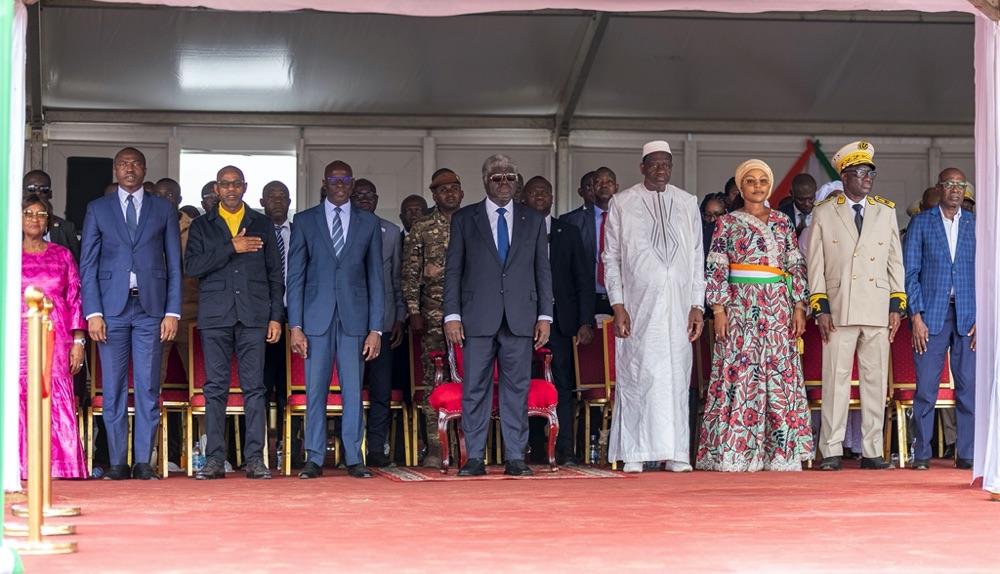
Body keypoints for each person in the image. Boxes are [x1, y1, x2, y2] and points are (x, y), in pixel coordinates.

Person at [696, 160, 813, 472]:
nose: (757, 186)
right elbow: (716, 268)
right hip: (739, 307)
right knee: (740, 371)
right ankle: (736, 452)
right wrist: (718, 310)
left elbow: (795, 265)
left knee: (778, 374)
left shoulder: (783, 222)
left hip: (777, 307)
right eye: (750, 181)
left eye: (763, 180)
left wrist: (799, 306)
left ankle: (780, 453)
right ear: (741, 185)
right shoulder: (727, 223)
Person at [443, 154, 553, 477]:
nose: (504, 183)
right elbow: (453, 271)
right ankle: (474, 457)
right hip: (476, 317)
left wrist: (545, 314)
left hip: (521, 317)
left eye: (509, 177)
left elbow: (542, 271)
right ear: (485, 181)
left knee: (516, 388)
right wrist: (451, 315)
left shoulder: (532, 220)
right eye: (497, 177)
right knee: (474, 387)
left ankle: (515, 457)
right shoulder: (465, 219)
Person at [602, 141, 706, 473]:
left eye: (667, 165)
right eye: (655, 164)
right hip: (638, 306)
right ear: (643, 167)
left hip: (678, 308)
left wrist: (696, 305)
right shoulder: (623, 202)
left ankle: (675, 452)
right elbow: (611, 258)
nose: (662, 170)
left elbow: (696, 258)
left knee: (676, 377)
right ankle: (634, 452)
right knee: (638, 374)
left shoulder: (687, 202)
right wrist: (618, 305)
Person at [80, 147, 182, 481]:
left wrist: (172, 311)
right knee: (112, 390)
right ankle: (118, 462)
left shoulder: (163, 209)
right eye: (124, 164)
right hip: (111, 311)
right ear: (115, 170)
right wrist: (92, 312)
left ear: (144, 170)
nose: (130, 169)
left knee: (149, 387)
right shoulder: (98, 209)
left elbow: (174, 265)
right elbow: (88, 265)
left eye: (136, 164)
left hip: (151, 309)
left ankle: (143, 462)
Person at [806, 140, 904, 471]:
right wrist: (820, 306)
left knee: (875, 381)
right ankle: (831, 450)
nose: (867, 178)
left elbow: (895, 262)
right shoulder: (823, 212)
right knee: (835, 379)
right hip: (839, 306)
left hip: (876, 306)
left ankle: (873, 450)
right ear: (844, 176)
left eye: (870, 173)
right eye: (860, 172)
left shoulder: (885, 210)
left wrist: (896, 304)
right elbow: (815, 264)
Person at [287, 160, 384, 479]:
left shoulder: (368, 223)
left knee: (353, 390)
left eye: (345, 179)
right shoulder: (304, 220)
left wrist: (375, 328)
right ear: (325, 183)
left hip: (355, 320)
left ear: (352, 184)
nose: (340, 184)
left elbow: (376, 279)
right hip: (315, 319)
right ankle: (314, 457)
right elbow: (296, 276)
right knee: (315, 390)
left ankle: (354, 457)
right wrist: (295, 325)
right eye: (334, 179)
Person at [185, 167, 283, 480]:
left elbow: (274, 275)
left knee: (255, 388)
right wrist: (231, 247)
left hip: (253, 315)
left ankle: (255, 458)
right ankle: (214, 459)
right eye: (225, 184)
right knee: (215, 388)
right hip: (215, 316)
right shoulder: (202, 225)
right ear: (217, 188)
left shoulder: (262, 223)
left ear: (244, 187)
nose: (230, 189)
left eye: (236, 184)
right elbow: (193, 267)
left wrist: (275, 317)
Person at [903, 168, 976, 471]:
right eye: (950, 184)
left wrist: (983, 316)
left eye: (960, 185)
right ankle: (922, 455)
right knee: (926, 389)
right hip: (931, 315)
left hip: (968, 314)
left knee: (968, 387)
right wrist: (916, 316)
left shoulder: (975, 224)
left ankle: (968, 453)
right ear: (939, 188)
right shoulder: (921, 222)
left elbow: (987, 274)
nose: (955, 190)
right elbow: (910, 274)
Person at [523, 176, 594, 466]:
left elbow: (583, 280)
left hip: (563, 324)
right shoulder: (517, 230)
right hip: (523, 324)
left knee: (562, 386)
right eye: (534, 192)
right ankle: (531, 448)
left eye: (546, 191)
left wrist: (585, 321)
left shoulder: (570, 231)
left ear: (553, 197)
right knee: (525, 385)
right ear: (523, 197)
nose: (540, 196)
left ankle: (563, 448)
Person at [19, 193, 88, 479]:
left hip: (56, 337)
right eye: (28, 213)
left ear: (49, 220)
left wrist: (79, 341)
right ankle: (19, 466)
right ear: (19, 218)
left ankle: (61, 465)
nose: (35, 219)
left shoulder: (62, 254)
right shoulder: (7, 254)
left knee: (53, 395)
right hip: (18, 338)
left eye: (41, 214)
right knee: (19, 395)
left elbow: (75, 299)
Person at [402, 170, 464, 469]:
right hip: (434, 314)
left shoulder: (473, 222)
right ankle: (437, 449)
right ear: (434, 195)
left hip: (470, 317)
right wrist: (413, 310)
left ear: (462, 193)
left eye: (454, 188)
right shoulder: (422, 226)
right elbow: (411, 273)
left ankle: (469, 447)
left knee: (469, 380)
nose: (450, 194)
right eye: (443, 190)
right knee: (434, 381)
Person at [351, 178, 406, 467]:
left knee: (381, 390)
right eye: (357, 194)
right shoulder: (344, 227)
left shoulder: (391, 231)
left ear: (376, 198)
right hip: (349, 323)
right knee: (348, 389)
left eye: (368, 195)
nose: (362, 199)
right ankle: (349, 450)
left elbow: (397, 279)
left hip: (383, 323)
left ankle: (375, 449)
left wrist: (399, 316)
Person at [258, 180, 296, 464]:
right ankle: (257, 451)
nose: (278, 201)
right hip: (261, 319)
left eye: (283, 196)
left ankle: (290, 448)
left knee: (290, 387)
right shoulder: (254, 231)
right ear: (262, 202)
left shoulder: (300, 231)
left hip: (295, 318)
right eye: (272, 196)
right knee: (261, 384)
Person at [561, 166, 619, 317]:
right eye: (598, 182)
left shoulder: (629, 219)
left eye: (609, 182)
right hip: (585, 299)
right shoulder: (572, 220)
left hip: (621, 299)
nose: (604, 185)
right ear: (592, 188)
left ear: (616, 187)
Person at [22, 170, 81, 262]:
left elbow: (75, 264)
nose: (38, 193)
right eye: (32, 188)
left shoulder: (66, 228)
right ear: (23, 192)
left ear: (50, 194)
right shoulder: (8, 226)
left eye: (44, 189)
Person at [779, 173, 817, 237]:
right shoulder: (779, 216)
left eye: (811, 198)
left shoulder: (824, 214)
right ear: (792, 194)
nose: (807, 204)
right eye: (801, 199)